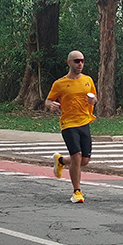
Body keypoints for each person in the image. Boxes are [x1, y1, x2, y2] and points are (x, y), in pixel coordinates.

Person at [45, 50, 98, 204]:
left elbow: (94, 98)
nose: (80, 63)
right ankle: (77, 192)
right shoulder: (59, 83)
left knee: (85, 160)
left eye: (82, 60)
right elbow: (48, 100)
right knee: (76, 156)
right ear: (69, 63)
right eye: (76, 61)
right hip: (68, 124)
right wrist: (51, 105)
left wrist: (93, 101)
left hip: (84, 122)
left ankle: (61, 160)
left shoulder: (88, 80)